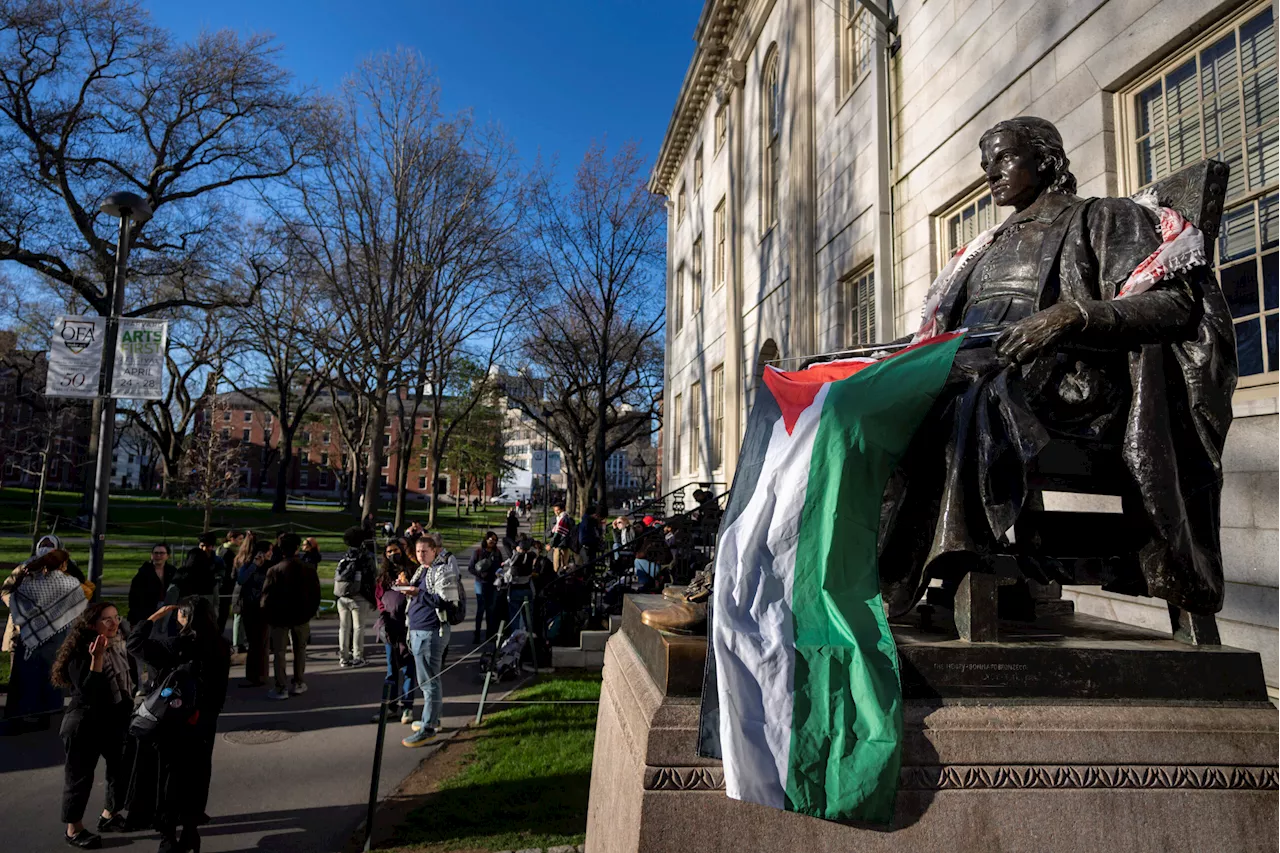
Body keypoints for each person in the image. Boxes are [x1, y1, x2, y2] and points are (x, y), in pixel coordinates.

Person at [127, 597, 230, 853]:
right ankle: (191, 830)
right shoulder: (220, 645)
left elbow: (135, 644)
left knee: (170, 777)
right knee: (197, 774)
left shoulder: (180, 645)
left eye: (180, 614)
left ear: (187, 617)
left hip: (175, 721)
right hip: (205, 720)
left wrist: (152, 618)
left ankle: (168, 835)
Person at [51, 602, 134, 848]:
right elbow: (88, 691)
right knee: (79, 779)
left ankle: (110, 814)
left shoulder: (119, 643)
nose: (114, 623)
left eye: (115, 617)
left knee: (119, 770)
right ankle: (73, 829)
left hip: (113, 721)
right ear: (91, 624)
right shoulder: (81, 650)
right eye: (106, 619)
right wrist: (96, 658)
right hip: (84, 723)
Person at [2, 545, 87, 734]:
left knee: (38, 676)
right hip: (39, 634)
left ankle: (34, 717)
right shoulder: (33, 573)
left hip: (44, 636)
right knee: (34, 676)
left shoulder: (56, 577)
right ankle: (32, 717)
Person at [401, 534, 460, 747]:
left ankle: (428, 728)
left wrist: (417, 593)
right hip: (418, 630)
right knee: (429, 680)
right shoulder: (422, 570)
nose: (420, 555)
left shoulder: (442, 570)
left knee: (429, 682)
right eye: (417, 551)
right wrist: (408, 588)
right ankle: (433, 719)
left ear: (435, 551)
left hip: (431, 632)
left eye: (425, 551)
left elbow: (447, 602)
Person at [260, 533, 321, 700]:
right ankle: (299, 681)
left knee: (279, 652)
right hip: (301, 616)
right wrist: (309, 612)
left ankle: (281, 686)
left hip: (279, 617)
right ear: (296, 548)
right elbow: (316, 594)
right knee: (299, 650)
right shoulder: (308, 569)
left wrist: (268, 614)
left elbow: (266, 597)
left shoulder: (274, 570)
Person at [374, 538, 416, 724]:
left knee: (408, 668)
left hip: (408, 626)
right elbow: (378, 598)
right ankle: (390, 707)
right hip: (390, 627)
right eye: (389, 551)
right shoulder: (383, 576)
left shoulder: (413, 571)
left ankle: (407, 708)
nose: (392, 554)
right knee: (391, 670)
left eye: (395, 550)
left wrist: (406, 584)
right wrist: (384, 616)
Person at [127, 543, 173, 688]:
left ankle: (155, 681)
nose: (158, 556)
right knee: (140, 650)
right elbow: (133, 599)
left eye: (161, 553)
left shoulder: (172, 572)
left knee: (158, 650)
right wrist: (136, 620)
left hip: (166, 617)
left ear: (167, 556)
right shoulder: (142, 574)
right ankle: (139, 685)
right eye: (156, 553)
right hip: (146, 616)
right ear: (151, 555)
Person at [334, 527, 375, 668]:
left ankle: (343, 657)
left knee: (344, 628)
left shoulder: (345, 556)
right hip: (359, 595)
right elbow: (370, 577)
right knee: (359, 628)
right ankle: (358, 656)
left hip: (342, 595)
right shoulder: (365, 556)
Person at [236, 541, 274, 688]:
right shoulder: (248, 565)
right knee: (253, 643)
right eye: (269, 551)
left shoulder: (271, 566)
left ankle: (262, 674)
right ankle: (252, 675)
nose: (271, 553)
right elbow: (241, 579)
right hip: (250, 607)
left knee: (263, 642)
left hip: (263, 608)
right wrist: (254, 565)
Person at [467, 532, 503, 644]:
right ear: (486, 539)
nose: (492, 542)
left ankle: (490, 634)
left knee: (490, 610)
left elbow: (501, 566)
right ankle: (477, 633)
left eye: (495, 540)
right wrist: (480, 575)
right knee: (481, 608)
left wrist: (499, 575)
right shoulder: (477, 552)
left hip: (492, 584)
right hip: (480, 583)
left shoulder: (497, 552)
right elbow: (471, 568)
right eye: (491, 539)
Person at [228, 532, 258, 654]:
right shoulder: (253, 561)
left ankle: (237, 643)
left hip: (238, 590)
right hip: (249, 591)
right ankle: (243, 642)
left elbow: (233, 575)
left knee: (238, 618)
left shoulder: (238, 557)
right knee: (248, 618)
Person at [213, 530, 244, 634]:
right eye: (240, 539)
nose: (242, 541)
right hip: (226, 585)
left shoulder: (221, 548)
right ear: (232, 539)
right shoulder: (229, 552)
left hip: (223, 584)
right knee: (223, 611)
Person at [503, 538, 537, 632]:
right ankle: (529, 636)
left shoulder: (515, 560)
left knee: (515, 617)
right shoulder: (531, 557)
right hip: (527, 589)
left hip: (515, 590)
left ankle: (516, 637)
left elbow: (507, 577)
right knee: (528, 617)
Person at [549, 504, 575, 573]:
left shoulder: (563, 519)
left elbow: (558, 534)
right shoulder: (560, 518)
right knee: (562, 565)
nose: (556, 512)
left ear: (562, 510)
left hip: (562, 545)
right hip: (562, 545)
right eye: (555, 511)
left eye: (558, 510)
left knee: (559, 565)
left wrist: (551, 544)